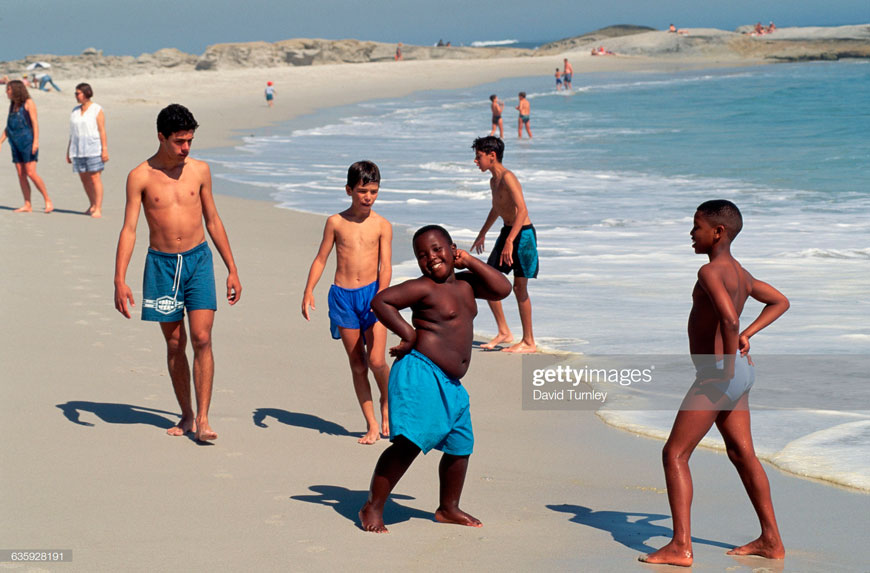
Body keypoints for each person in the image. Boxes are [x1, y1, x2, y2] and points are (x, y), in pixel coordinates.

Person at [640, 200, 788, 567]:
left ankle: (680, 547)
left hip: (719, 374)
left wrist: (721, 369)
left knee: (674, 454)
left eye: (697, 226)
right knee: (742, 454)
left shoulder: (710, 273)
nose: (691, 233)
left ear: (718, 232)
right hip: (739, 371)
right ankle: (771, 540)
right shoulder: (739, 272)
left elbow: (728, 318)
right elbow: (780, 302)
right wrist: (745, 339)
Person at [359, 225, 511, 533]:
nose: (431, 258)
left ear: (453, 249)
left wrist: (471, 261)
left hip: (451, 385)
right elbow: (381, 302)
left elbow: (502, 289)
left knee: (460, 445)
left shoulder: (467, 285)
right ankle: (372, 507)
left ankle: (448, 507)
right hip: (422, 373)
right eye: (422, 255)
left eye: (438, 249)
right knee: (409, 445)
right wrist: (409, 333)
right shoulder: (424, 287)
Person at [113, 104, 241, 443]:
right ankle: (186, 412)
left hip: (198, 261)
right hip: (161, 265)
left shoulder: (199, 170)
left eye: (190, 141)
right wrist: (119, 278)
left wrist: (231, 268)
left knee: (201, 338)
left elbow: (213, 219)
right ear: (161, 137)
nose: (186, 148)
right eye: (179, 141)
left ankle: (203, 418)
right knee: (174, 342)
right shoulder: (139, 176)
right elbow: (129, 229)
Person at [302, 161, 393, 444]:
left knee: (377, 360)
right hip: (343, 297)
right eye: (363, 191)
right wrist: (308, 290)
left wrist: (382, 296)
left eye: (374, 191)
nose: (368, 197)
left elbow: (386, 266)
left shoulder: (382, 225)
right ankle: (371, 425)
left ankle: (387, 402)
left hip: (373, 295)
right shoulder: (335, 222)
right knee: (357, 364)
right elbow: (321, 258)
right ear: (349, 190)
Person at [471, 136, 538, 353]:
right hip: (507, 232)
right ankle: (504, 331)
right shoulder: (493, 181)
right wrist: (482, 234)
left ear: (492, 156)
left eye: (478, 156)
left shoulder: (509, 177)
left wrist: (510, 241)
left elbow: (523, 210)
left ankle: (529, 341)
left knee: (520, 288)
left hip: (523, 236)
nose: (475, 161)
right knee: (489, 279)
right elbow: (497, 208)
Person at [0, 80, 53, 213]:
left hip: (27, 142)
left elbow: (35, 123)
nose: (6, 91)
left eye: (8, 89)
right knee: (21, 174)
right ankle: (27, 204)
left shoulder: (28, 103)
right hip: (15, 143)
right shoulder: (12, 105)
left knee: (31, 172)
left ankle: (47, 200)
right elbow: (9, 126)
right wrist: (1, 141)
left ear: (16, 90)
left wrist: (36, 141)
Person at [67, 83, 108, 218]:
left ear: (86, 93)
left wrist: (104, 150)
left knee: (95, 177)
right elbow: (72, 133)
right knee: (84, 179)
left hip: (93, 148)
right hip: (78, 149)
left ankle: (98, 207)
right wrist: (68, 151)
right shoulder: (75, 110)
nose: (76, 96)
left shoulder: (97, 109)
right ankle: (92, 204)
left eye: (77, 93)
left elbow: (102, 130)